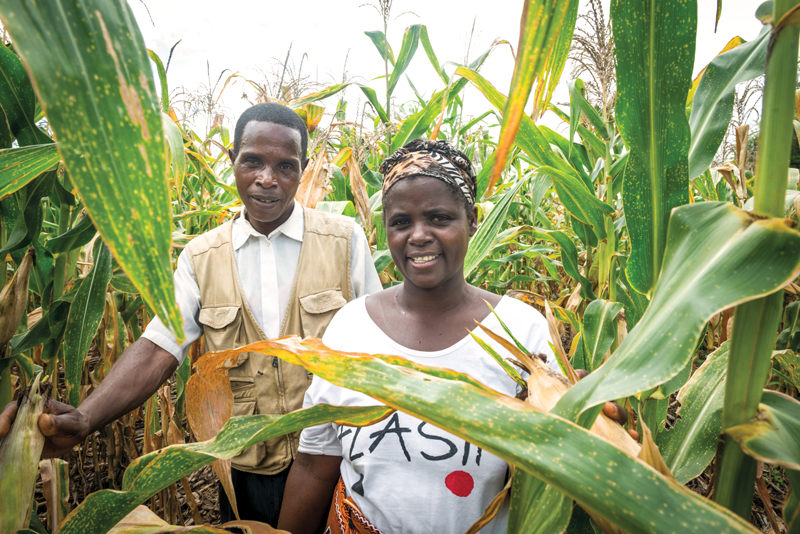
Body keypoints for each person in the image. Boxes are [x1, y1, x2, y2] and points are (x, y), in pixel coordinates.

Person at [0, 103, 382, 526]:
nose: (267, 179)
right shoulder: (201, 257)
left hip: (336, 460)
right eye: (252, 161)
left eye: (285, 167)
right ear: (232, 157)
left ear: (304, 168)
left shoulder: (345, 240)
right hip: (245, 466)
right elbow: (159, 347)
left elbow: (379, 348)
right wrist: (86, 417)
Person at [277, 139, 634, 534]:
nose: (418, 236)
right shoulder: (350, 327)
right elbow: (314, 465)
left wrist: (594, 429)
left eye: (439, 218)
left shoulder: (520, 330)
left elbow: (546, 475)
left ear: (472, 221)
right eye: (400, 222)